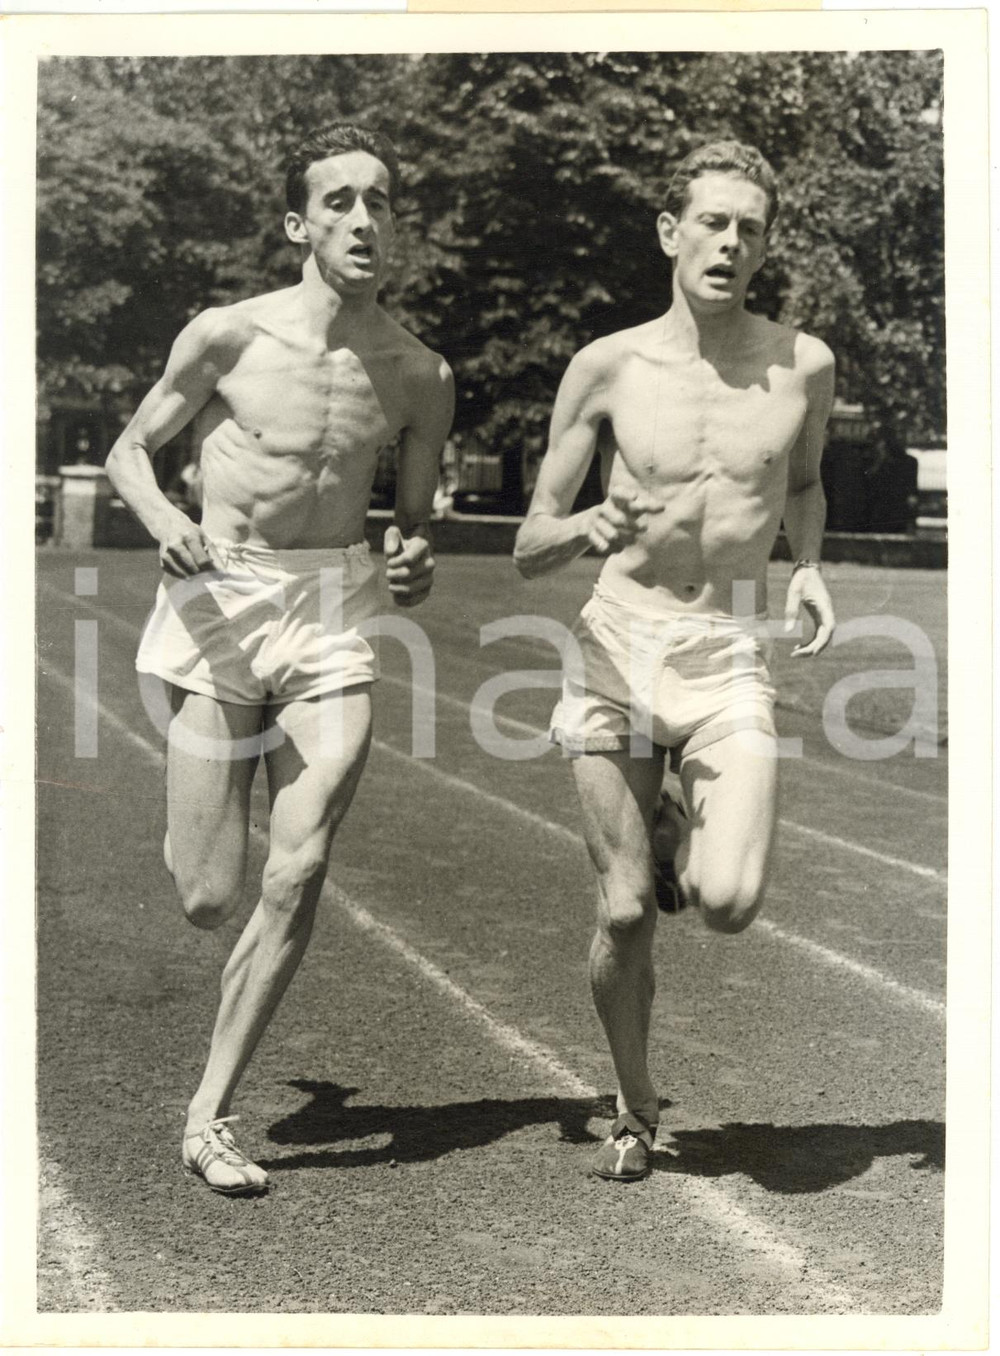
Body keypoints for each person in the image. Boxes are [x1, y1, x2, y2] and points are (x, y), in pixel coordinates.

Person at [106, 124, 455, 1195]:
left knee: (297, 869)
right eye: (339, 201)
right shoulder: (228, 336)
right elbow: (130, 451)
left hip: (331, 612)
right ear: (299, 225)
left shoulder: (420, 373)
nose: (363, 218)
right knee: (208, 895)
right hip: (220, 600)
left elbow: (410, 526)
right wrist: (165, 516)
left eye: (380, 201)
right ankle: (199, 829)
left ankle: (208, 1115)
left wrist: (413, 561)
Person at [513, 141, 835, 1182]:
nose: (729, 243)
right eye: (711, 222)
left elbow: (803, 485)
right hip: (616, 643)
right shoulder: (606, 366)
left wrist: (807, 567)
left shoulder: (804, 364)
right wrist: (586, 526)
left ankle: (675, 830)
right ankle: (636, 1105)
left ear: (765, 246)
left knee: (728, 901)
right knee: (622, 910)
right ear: (670, 232)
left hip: (725, 647)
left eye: (749, 228)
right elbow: (529, 543)